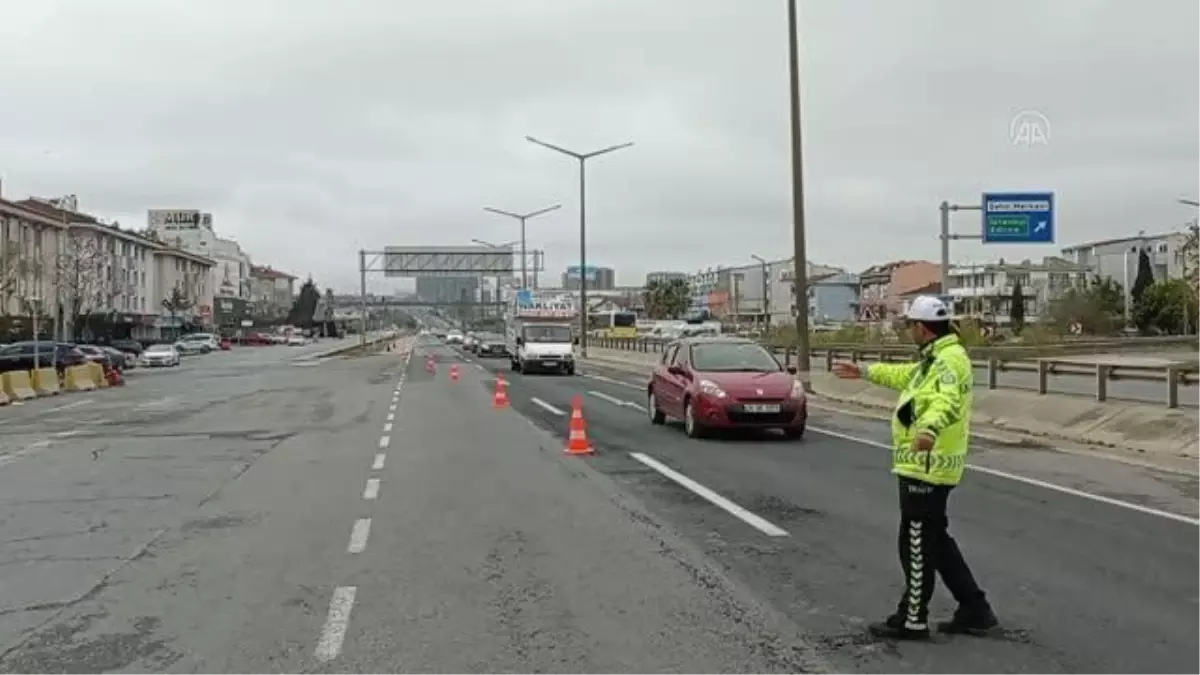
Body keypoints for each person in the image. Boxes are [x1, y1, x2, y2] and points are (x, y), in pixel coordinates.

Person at [831, 295, 999, 641]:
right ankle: (975, 607)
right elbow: (905, 376)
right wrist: (864, 370)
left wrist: (929, 429)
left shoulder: (949, 361)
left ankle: (913, 617)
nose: (908, 330)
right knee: (935, 539)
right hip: (923, 464)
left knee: (916, 542)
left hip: (929, 465)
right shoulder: (933, 359)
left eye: (909, 325)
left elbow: (946, 400)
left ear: (921, 328)